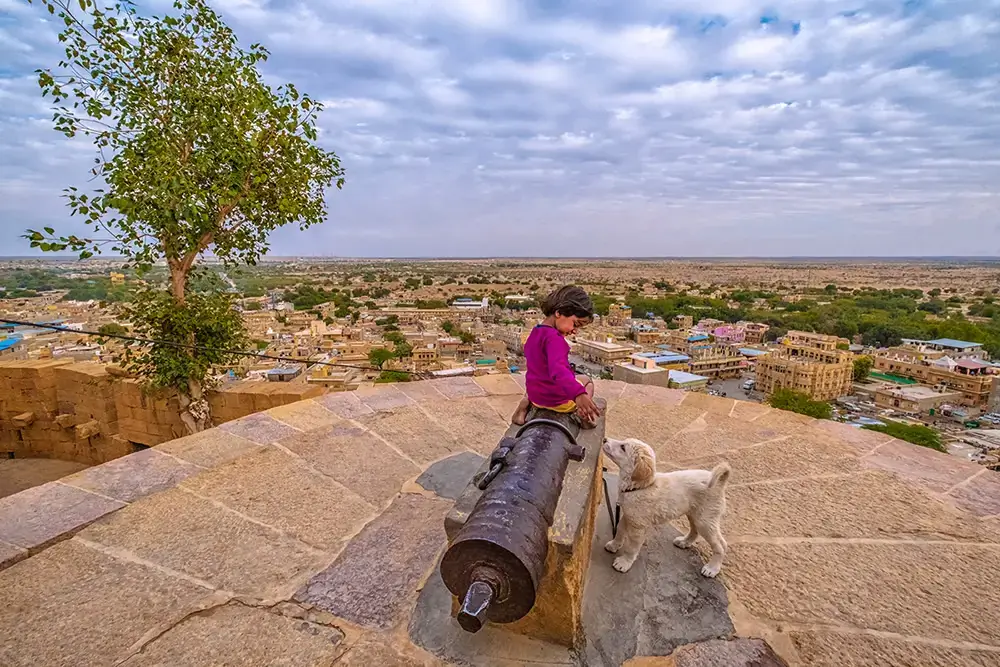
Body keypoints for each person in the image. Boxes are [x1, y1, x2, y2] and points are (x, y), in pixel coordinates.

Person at [511, 285, 602, 427]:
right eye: (575, 324)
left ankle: (524, 406)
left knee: (539, 379)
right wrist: (579, 395)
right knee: (587, 381)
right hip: (557, 401)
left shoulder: (536, 332)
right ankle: (584, 415)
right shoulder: (555, 340)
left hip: (536, 396)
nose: (574, 331)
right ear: (559, 313)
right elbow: (559, 371)